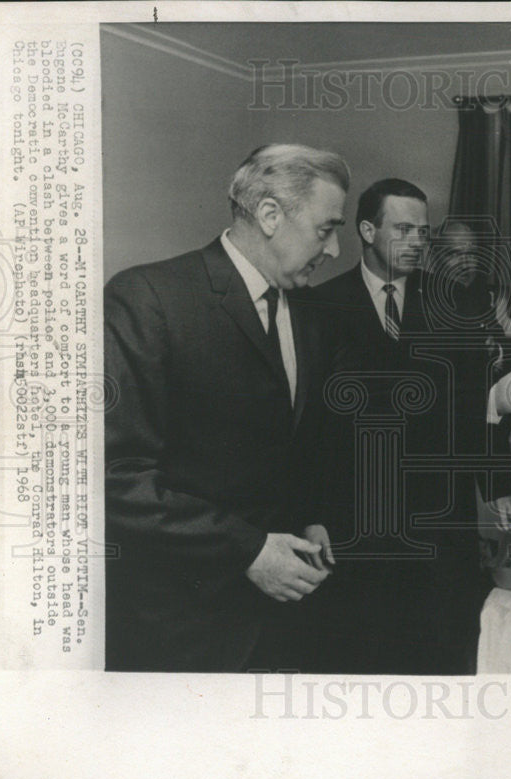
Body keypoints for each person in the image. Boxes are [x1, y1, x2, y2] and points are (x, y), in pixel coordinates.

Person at [103, 144, 350, 672]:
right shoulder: (147, 298)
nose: (334, 250)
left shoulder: (311, 315)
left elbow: (291, 443)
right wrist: (248, 550)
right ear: (268, 215)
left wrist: (310, 517)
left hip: (280, 624)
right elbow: (115, 476)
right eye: (326, 229)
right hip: (182, 631)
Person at [307, 179, 511, 673]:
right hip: (354, 520)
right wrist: (311, 513)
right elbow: (315, 429)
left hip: (436, 516)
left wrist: (496, 480)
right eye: (402, 229)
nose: (415, 243)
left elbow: (472, 402)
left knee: (441, 654)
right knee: (360, 657)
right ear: (367, 230)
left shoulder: (458, 305)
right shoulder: (318, 308)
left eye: (422, 233)